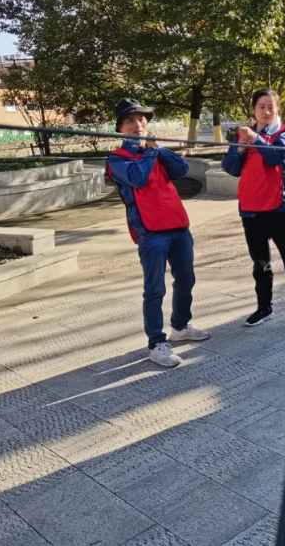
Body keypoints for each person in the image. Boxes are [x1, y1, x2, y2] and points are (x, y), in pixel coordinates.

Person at [107, 99, 209, 368]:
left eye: (142, 119)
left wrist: (159, 149)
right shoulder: (117, 158)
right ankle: (156, 343)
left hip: (178, 225)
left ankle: (180, 326)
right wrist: (150, 151)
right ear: (120, 128)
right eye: (130, 120)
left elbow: (182, 170)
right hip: (150, 232)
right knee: (154, 288)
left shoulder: (155, 152)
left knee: (186, 279)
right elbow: (138, 178)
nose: (138, 124)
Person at [222, 90, 285, 330]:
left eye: (271, 107)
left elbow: (275, 158)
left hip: (278, 209)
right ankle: (264, 307)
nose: (266, 111)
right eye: (261, 107)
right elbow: (230, 167)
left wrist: (256, 139)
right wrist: (240, 149)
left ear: (278, 109)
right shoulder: (242, 135)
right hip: (250, 210)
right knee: (260, 264)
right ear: (253, 110)